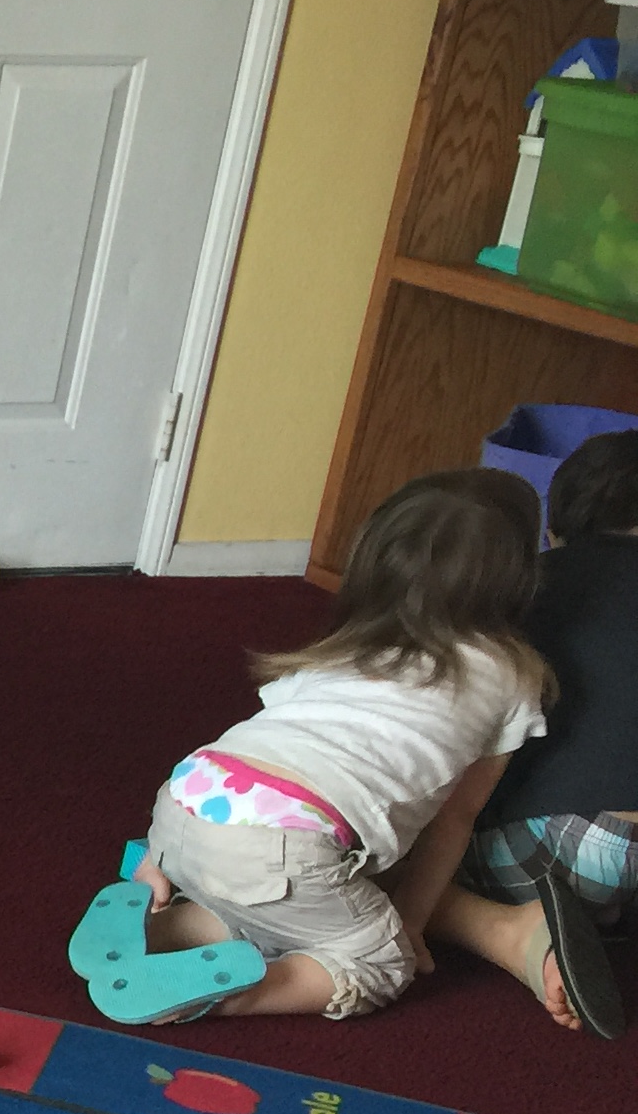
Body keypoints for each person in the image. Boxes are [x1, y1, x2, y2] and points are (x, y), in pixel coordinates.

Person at [76, 468, 553, 1025]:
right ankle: (222, 997)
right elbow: (456, 817)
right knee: (380, 962)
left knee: (271, 898)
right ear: (517, 579)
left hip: (186, 797)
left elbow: (272, 743)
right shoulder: (511, 675)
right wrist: (409, 926)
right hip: (288, 843)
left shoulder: (341, 649)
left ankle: (159, 921)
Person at [424, 432, 638, 1039]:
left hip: (582, 838)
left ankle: (505, 930)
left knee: (364, 852)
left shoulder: (527, 586)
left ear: (552, 533)